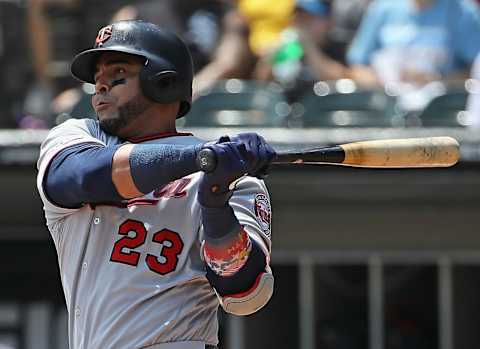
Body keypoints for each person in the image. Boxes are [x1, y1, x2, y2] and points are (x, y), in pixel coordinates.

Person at [36, 20, 275, 349]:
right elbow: (78, 177)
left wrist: (217, 207)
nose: (101, 87)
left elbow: (244, 295)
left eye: (117, 73)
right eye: (97, 80)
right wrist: (202, 155)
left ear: (163, 82)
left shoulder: (231, 177)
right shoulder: (80, 137)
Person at [347, 0, 480, 111]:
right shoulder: (382, 8)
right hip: (387, 115)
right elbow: (358, 66)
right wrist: (387, 85)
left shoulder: (464, 12)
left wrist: (437, 80)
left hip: (442, 115)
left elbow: (474, 71)